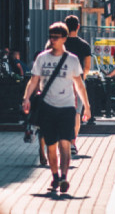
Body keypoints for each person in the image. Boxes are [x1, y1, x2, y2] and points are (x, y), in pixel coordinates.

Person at [22, 22, 92, 195]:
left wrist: (87, 107)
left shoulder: (72, 60)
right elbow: (34, 80)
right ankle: (54, 175)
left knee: (65, 144)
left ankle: (63, 177)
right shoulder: (42, 58)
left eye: (56, 37)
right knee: (51, 146)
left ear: (64, 39)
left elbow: (79, 85)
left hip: (67, 107)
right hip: (47, 106)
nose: (52, 40)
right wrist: (26, 98)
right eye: (51, 37)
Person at [63, 15, 92, 155]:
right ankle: (73, 142)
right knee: (76, 113)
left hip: (61, 82)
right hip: (77, 82)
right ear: (78, 27)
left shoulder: (60, 44)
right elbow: (87, 67)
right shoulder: (84, 45)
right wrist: (82, 78)